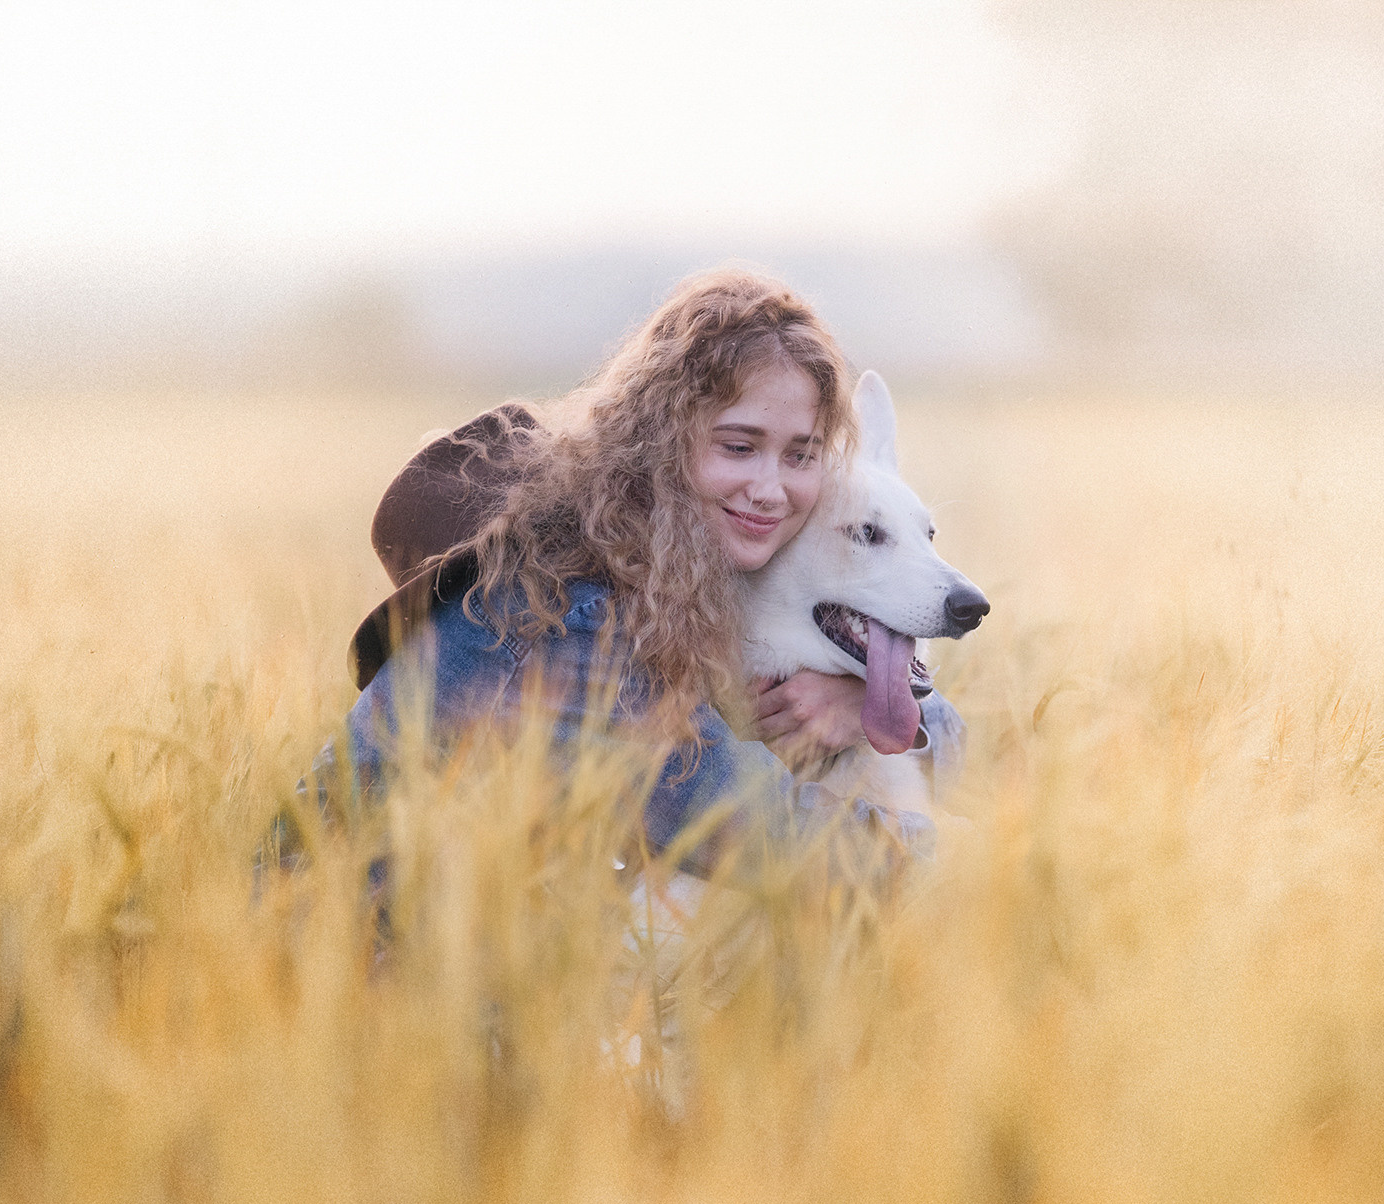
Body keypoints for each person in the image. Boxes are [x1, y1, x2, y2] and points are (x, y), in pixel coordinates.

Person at [290, 269, 963, 883]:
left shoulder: (678, 581)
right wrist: (982, 861)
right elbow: (768, 835)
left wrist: (860, 706)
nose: (770, 489)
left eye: (801, 455)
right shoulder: (566, 616)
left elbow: (960, 747)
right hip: (343, 950)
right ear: (661, 440)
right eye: (738, 446)